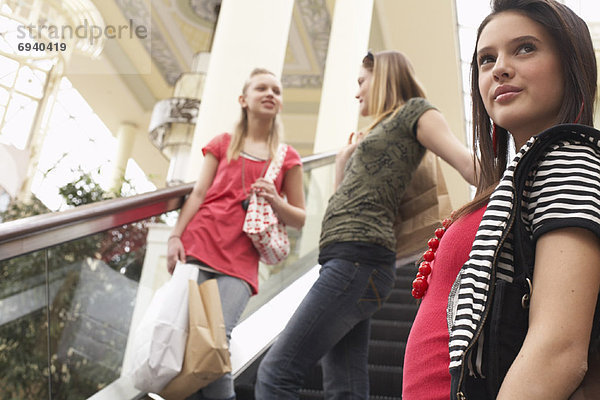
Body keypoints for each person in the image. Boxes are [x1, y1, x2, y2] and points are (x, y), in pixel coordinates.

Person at [254, 50, 477, 399]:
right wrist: (344, 161)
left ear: (383, 75)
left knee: (276, 373)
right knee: (344, 387)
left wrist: (519, 181)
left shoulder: (416, 112)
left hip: (359, 261)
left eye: (362, 81)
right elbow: (344, 201)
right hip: (343, 258)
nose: (357, 92)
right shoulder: (372, 131)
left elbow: (466, 163)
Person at [444, 1, 600, 399]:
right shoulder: (522, 177)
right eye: (485, 59)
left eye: (525, 48)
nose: (499, 68)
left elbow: (559, 350)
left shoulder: (568, 157)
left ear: (571, 65)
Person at [166, 67, 306, 400]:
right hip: (198, 247)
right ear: (244, 100)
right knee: (187, 343)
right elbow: (199, 194)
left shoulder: (287, 158)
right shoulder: (222, 143)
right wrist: (175, 237)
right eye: (262, 89)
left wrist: (275, 199)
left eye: (276, 90)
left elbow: (299, 217)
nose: (271, 94)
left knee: (216, 341)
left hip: (240, 262)